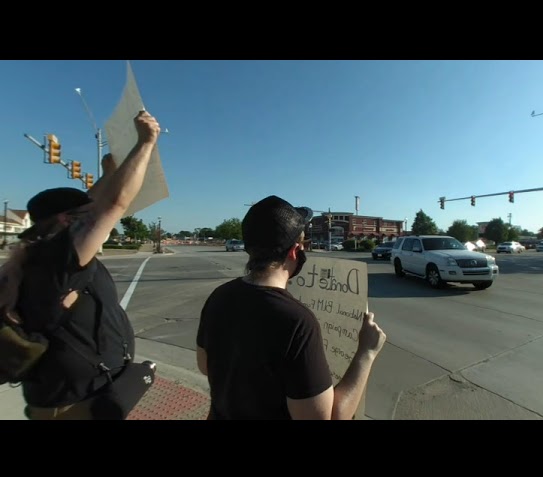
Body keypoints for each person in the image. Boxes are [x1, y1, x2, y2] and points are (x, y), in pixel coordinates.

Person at [0, 110, 161, 419]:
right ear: (66, 220)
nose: (92, 219)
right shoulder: (55, 258)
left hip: (73, 396)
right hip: (73, 406)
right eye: (84, 216)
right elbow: (113, 204)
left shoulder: (41, 251)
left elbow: (92, 200)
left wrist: (109, 171)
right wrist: (146, 142)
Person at [196, 195, 386, 420]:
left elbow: (205, 367)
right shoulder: (296, 322)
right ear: (295, 251)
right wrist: (367, 353)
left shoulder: (219, 296)